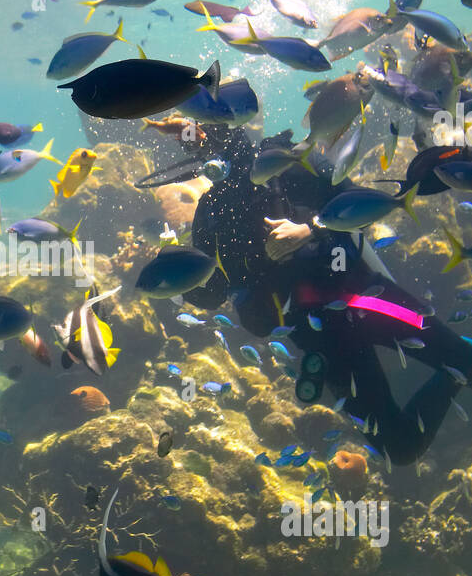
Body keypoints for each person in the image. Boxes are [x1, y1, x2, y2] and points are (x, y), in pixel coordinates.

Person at [181, 125, 472, 467]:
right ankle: (453, 368)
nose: (201, 142)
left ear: (236, 131)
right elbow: (212, 294)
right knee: (399, 447)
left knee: (467, 364)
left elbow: (360, 204)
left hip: (361, 297)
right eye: (194, 138)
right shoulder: (211, 211)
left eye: (207, 130)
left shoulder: (293, 164)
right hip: (316, 337)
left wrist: (310, 228)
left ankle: (458, 360)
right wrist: (178, 281)